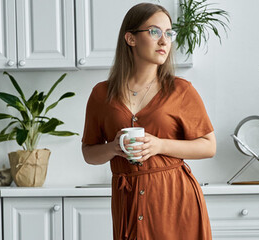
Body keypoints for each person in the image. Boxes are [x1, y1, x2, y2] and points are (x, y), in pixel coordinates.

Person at [81, 3, 216, 240]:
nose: (164, 41)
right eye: (155, 32)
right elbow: (89, 153)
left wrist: (159, 145)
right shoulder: (101, 94)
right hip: (128, 201)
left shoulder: (180, 90)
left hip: (174, 200)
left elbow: (209, 146)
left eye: (169, 33)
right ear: (130, 38)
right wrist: (113, 148)